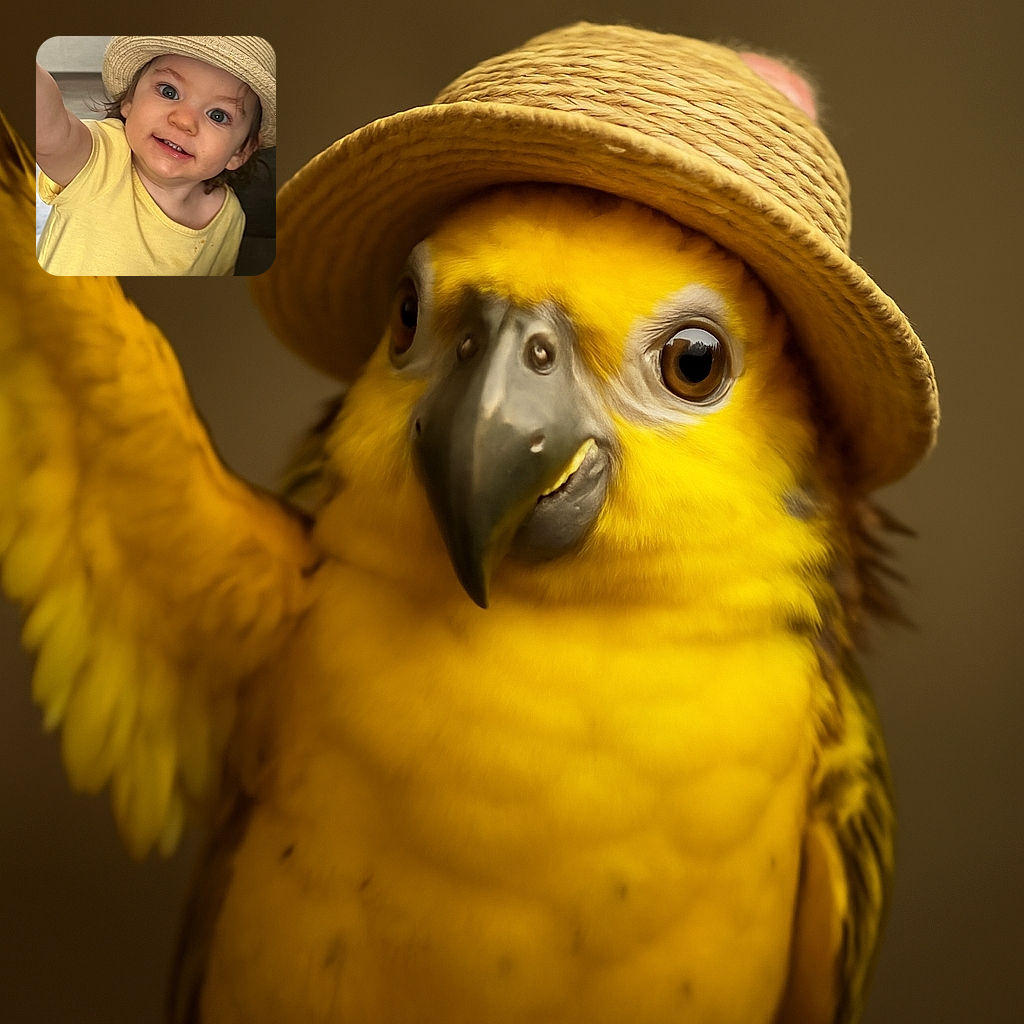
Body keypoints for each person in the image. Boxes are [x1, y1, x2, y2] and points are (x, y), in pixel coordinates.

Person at [35, 35, 276, 276]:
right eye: (169, 92)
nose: (184, 121)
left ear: (240, 151)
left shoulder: (229, 216)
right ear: (129, 101)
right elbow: (49, 131)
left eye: (217, 116)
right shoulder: (100, 157)